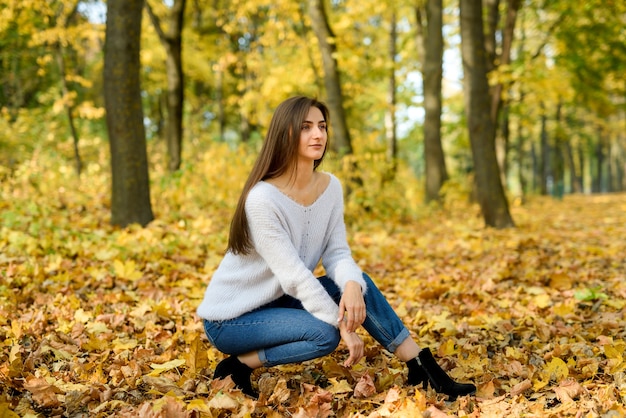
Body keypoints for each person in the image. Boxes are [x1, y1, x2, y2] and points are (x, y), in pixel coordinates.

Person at [196, 96, 476, 400]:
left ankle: (420, 365)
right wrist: (344, 326)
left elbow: (337, 252)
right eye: (306, 128)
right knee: (323, 335)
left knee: (360, 283)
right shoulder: (262, 199)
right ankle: (238, 366)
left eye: (322, 126)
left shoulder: (330, 187)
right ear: (285, 134)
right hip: (232, 320)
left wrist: (352, 286)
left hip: (278, 303)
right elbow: (294, 277)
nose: (318, 135)